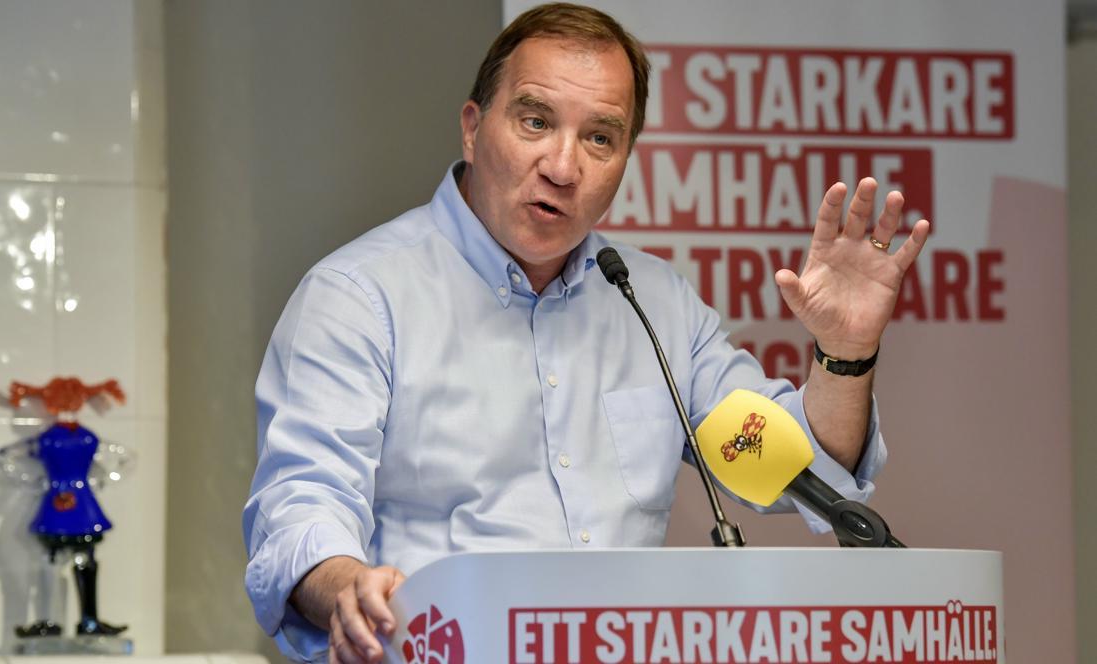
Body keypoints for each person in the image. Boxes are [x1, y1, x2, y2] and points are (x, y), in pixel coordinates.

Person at [242, 3, 929, 663]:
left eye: (600, 137)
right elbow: (302, 504)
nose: (564, 168)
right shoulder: (361, 298)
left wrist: (844, 356)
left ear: (626, 157)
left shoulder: (651, 302)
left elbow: (792, 469)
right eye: (536, 121)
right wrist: (345, 586)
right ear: (473, 127)